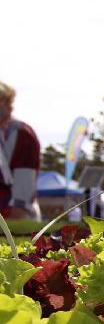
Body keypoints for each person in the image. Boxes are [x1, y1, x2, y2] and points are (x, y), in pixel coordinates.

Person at [0, 80, 41, 219]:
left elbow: (23, 193)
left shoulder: (22, 134)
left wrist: (11, 231)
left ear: (6, 103)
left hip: (14, 219)